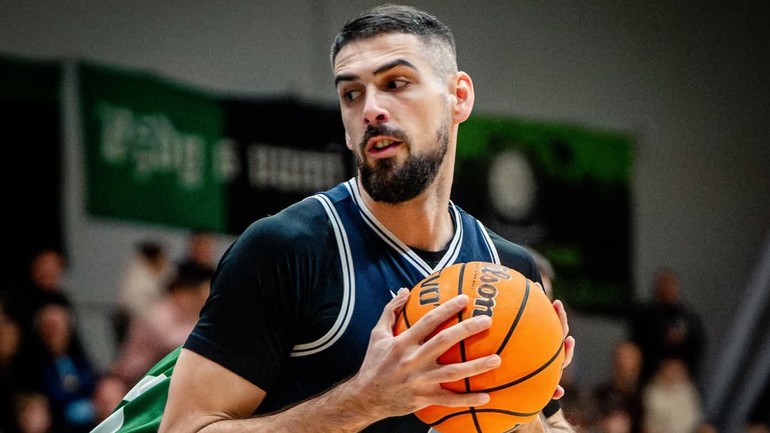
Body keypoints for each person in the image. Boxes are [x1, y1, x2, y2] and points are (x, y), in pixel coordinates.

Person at [90, 5, 575, 433]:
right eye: (351, 94)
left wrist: (527, 401)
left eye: (396, 83)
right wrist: (362, 402)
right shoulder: (287, 249)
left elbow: (542, 426)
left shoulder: (511, 270)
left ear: (459, 97)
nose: (371, 109)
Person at [628, 267, 706, 385]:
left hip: (683, 379)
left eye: (673, 285)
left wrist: (683, 340)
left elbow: (698, 342)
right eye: (665, 285)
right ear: (657, 288)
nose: (670, 289)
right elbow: (638, 344)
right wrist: (664, 337)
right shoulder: (643, 315)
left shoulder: (688, 316)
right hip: (652, 378)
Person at [112, 240, 173, 345]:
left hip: (163, 323)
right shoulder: (135, 276)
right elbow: (130, 302)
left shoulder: (166, 270)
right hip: (138, 323)